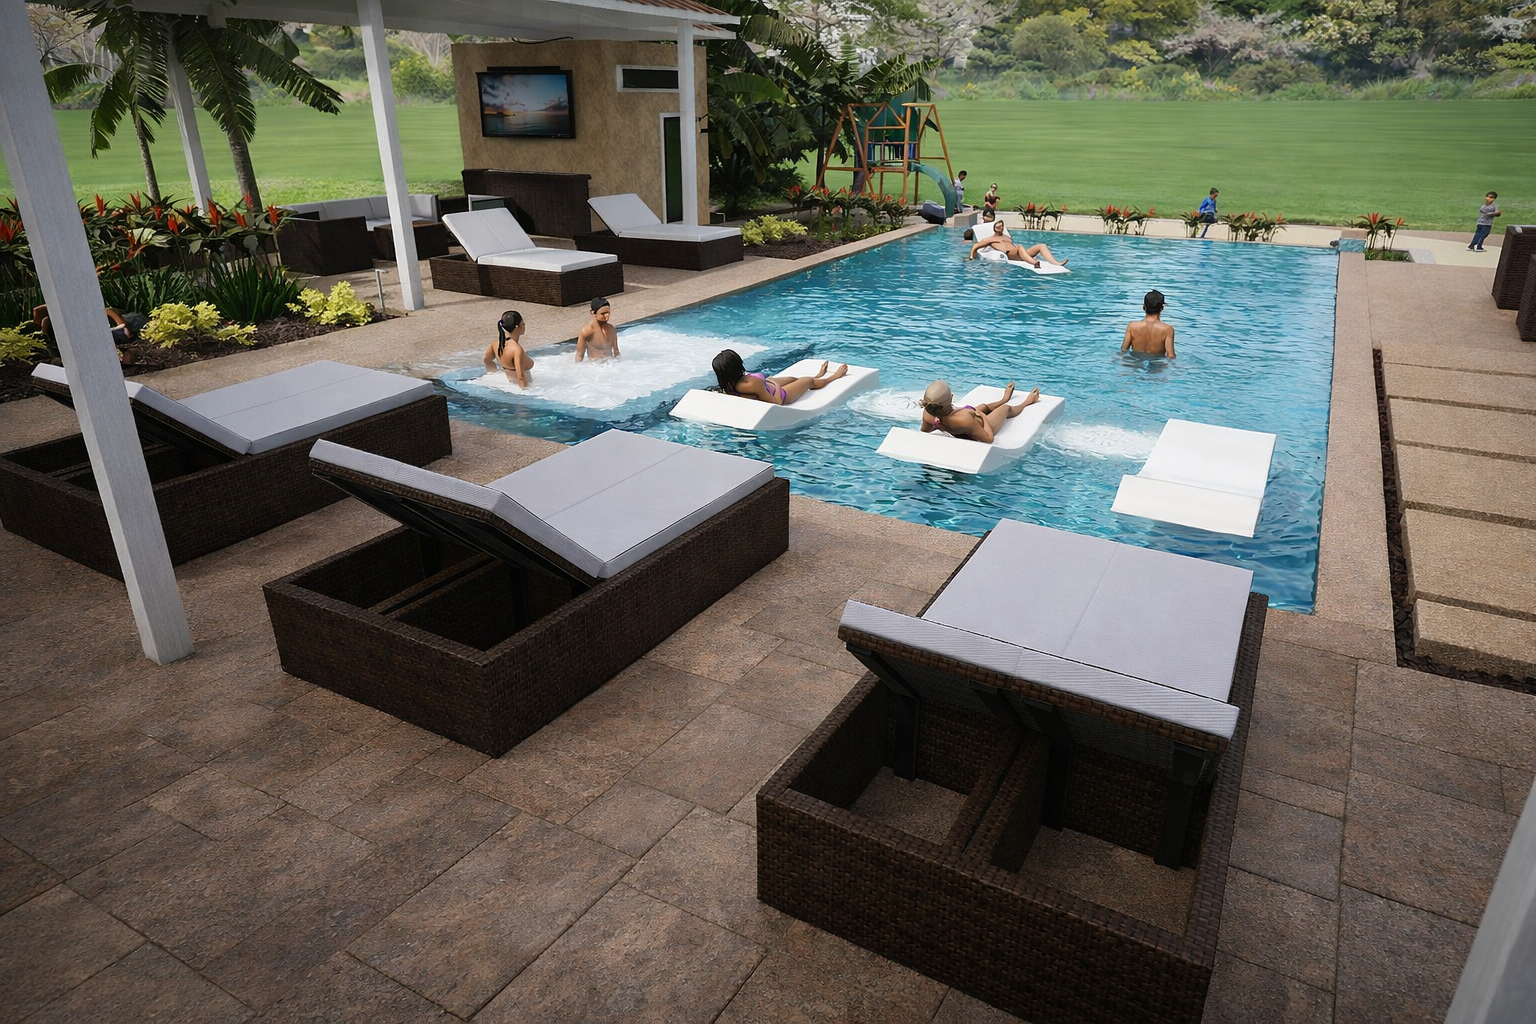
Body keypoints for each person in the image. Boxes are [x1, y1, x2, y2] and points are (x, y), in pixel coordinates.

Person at [920, 380, 1040, 445]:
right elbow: (989, 438)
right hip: (983, 425)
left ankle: (1003, 399)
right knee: (1005, 409)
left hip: (966, 421)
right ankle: (1027, 402)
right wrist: (982, 417)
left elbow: (925, 431)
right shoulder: (964, 419)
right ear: (951, 397)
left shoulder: (928, 414)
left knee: (982, 407)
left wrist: (941, 425)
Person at [712, 349, 848, 405]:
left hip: (766, 386)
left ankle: (817, 375)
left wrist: (767, 382)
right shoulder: (751, 383)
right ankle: (834, 377)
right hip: (780, 395)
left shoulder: (727, 385)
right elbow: (774, 402)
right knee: (807, 381)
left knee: (793, 379)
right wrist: (775, 385)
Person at [967, 219, 1066, 267]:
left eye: (1001, 226)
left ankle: (1056, 263)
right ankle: (1034, 263)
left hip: (1018, 253)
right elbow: (976, 246)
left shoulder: (1007, 236)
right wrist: (971, 257)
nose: (1000, 228)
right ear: (994, 229)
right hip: (1010, 254)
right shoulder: (990, 238)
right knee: (1019, 247)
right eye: (998, 227)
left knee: (1041, 245)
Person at [483, 309, 535, 388]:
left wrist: (493, 374)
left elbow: (486, 359)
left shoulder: (495, 344)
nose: (524, 325)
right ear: (517, 326)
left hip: (511, 386)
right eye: (522, 323)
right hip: (523, 387)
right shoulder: (516, 349)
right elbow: (520, 377)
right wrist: (527, 392)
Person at [1120, 290, 1177, 358]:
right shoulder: (1167, 329)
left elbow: (1124, 350)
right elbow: (1170, 355)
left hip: (1135, 359)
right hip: (1157, 361)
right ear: (1162, 308)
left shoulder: (1132, 326)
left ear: (1144, 307)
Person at [575, 296, 619, 361]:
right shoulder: (587, 331)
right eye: (603, 314)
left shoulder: (611, 329)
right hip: (595, 365)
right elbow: (579, 355)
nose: (607, 317)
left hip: (611, 364)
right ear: (592, 312)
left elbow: (616, 352)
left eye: (608, 313)